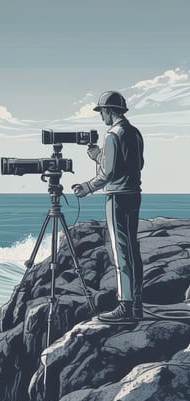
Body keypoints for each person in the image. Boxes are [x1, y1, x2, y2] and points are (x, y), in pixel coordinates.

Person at [72, 90, 144, 323]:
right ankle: (137, 304)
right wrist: (98, 155)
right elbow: (136, 163)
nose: (101, 116)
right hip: (134, 194)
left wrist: (87, 187)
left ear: (110, 111)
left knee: (121, 251)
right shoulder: (134, 132)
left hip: (117, 197)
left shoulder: (112, 134)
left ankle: (125, 306)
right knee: (133, 249)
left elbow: (108, 172)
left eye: (102, 111)